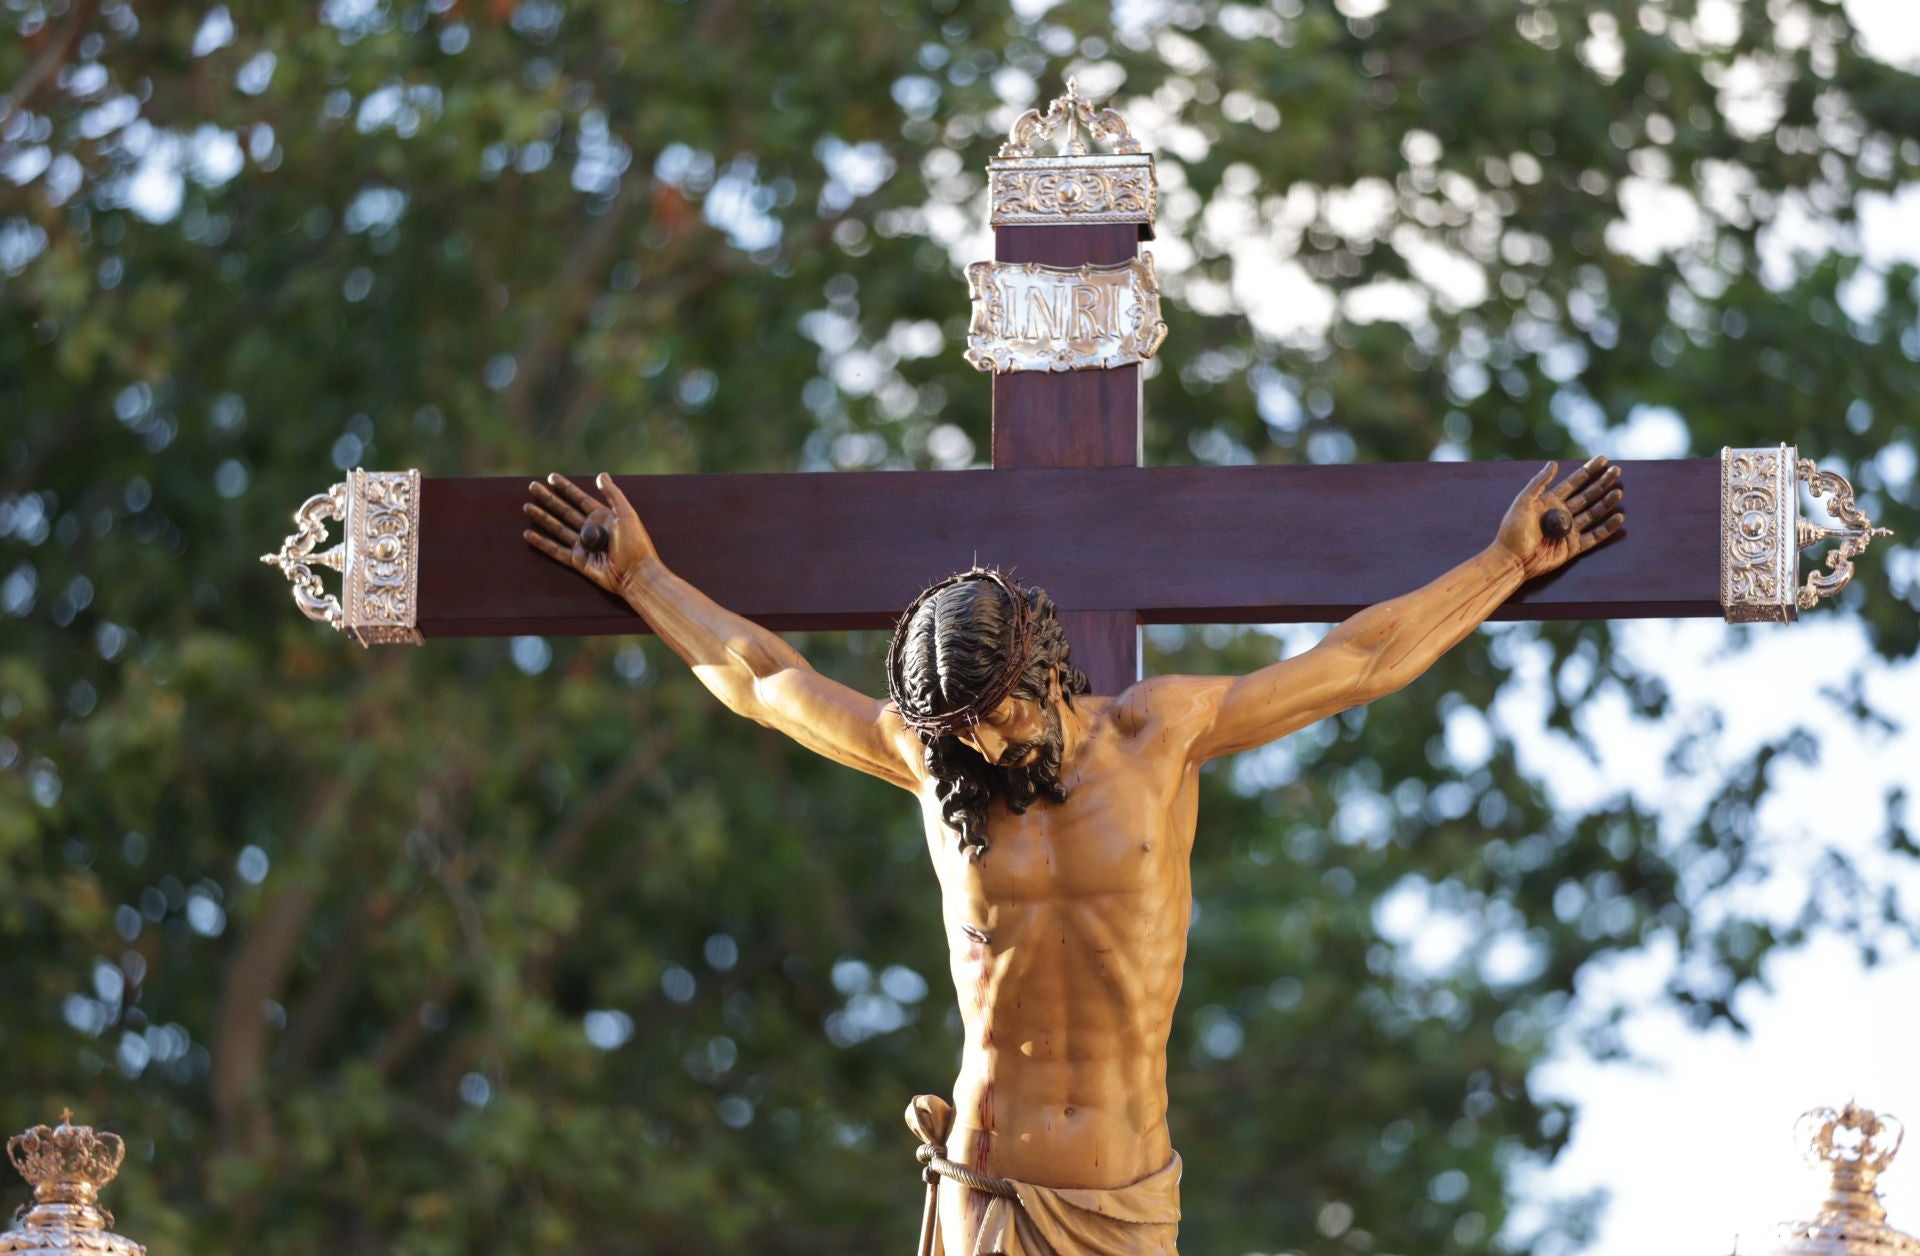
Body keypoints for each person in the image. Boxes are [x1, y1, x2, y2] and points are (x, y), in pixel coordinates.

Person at [522, 457, 1624, 1255]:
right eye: (965, 731)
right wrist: (640, 579)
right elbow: (765, 679)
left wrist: (1501, 563)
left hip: (1116, 1204)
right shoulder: (931, 759)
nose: (988, 744)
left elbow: (1358, 658)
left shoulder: (1161, 732)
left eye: (999, 714)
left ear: (1044, 662)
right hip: (983, 1191)